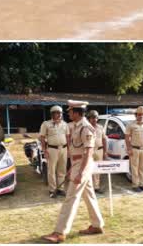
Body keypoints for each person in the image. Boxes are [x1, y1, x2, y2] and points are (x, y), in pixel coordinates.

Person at [42, 101, 104, 243]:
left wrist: (81, 172)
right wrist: (73, 167)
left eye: (70, 111)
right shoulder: (76, 126)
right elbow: (77, 150)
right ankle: (97, 225)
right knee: (89, 196)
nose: (68, 113)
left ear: (77, 112)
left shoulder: (86, 128)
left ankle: (60, 232)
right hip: (78, 164)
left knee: (70, 198)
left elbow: (88, 152)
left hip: (83, 164)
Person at [39, 105, 69, 198]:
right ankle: (52, 190)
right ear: (52, 114)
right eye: (57, 113)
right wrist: (44, 150)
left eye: (60, 113)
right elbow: (42, 137)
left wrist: (69, 149)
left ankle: (60, 188)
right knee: (51, 170)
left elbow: (68, 137)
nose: (59, 115)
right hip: (52, 149)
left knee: (62, 170)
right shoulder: (46, 124)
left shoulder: (65, 124)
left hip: (63, 149)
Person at [124, 106, 143, 192]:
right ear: (136, 115)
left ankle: (141, 184)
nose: (140, 116)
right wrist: (129, 149)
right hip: (134, 149)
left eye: (142, 114)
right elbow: (127, 138)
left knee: (142, 168)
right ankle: (135, 185)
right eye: (139, 114)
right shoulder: (131, 125)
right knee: (134, 168)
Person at [87, 110, 105, 194]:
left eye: (96, 117)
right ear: (89, 118)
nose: (94, 119)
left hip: (99, 150)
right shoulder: (86, 128)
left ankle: (96, 187)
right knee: (89, 168)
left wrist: (105, 150)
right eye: (92, 117)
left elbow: (104, 139)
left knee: (97, 169)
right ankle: (89, 187)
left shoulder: (101, 127)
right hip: (90, 150)